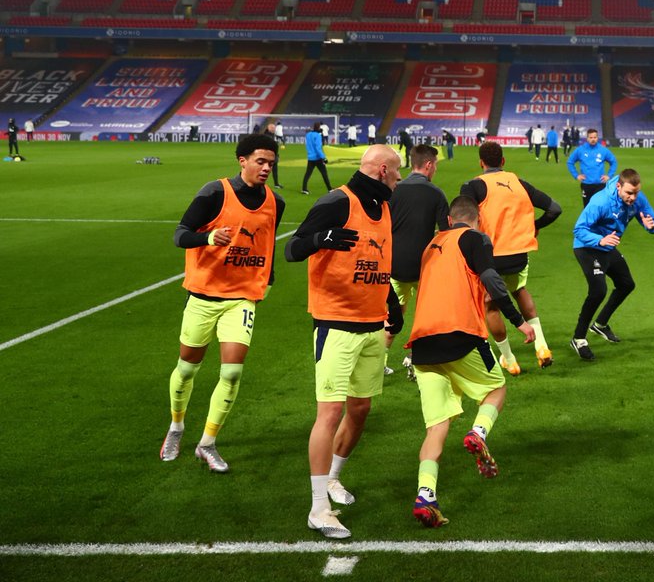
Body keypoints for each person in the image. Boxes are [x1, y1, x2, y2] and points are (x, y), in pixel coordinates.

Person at [285, 144, 403, 540]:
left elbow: (380, 261)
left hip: (372, 324)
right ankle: (318, 508)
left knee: (361, 409)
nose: (399, 179)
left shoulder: (384, 208)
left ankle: (333, 478)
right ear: (383, 170)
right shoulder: (337, 201)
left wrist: (391, 304)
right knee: (330, 411)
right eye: (397, 172)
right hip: (336, 323)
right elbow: (291, 249)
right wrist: (321, 237)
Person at [406, 196, 535, 528]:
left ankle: (425, 496)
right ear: (479, 218)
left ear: (449, 220)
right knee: (496, 388)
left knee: (437, 426)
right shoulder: (476, 238)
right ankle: (478, 433)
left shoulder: (432, 244)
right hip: (461, 335)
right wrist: (518, 321)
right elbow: (492, 279)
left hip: (422, 345)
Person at [161, 134, 284, 473]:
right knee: (188, 368)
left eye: (271, 163)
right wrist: (208, 237)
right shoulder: (215, 193)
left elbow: (268, 244)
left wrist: (268, 279)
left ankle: (207, 443)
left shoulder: (275, 202)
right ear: (242, 160)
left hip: (241, 298)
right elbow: (180, 235)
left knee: (231, 372)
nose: (266, 168)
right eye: (260, 161)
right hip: (203, 296)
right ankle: (176, 426)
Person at [460, 141, 562, 373]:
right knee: (520, 290)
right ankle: (542, 347)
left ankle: (509, 359)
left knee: (491, 304)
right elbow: (554, 209)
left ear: (481, 162)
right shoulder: (519, 182)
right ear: (503, 161)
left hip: (490, 256)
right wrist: (535, 226)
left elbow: (463, 218)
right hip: (519, 254)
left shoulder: (473, 186)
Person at [569, 169, 654, 359]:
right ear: (618, 186)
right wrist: (599, 240)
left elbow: (651, 218)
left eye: (636, 193)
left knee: (626, 284)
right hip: (587, 247)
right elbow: (579, 229)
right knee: (598, 291)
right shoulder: (601, 201)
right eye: (629, 193)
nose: (633, 197)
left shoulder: (637, 198)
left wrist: (651, 226)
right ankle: (578, 338)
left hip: (608, 246)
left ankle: (600, 324)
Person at [385, 144, 450, 378]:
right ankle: (416, 358)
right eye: (436, 165)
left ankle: (377, 362)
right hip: (423, 267)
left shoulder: (393, 190)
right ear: (429, 164)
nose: (436, 170)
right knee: (429, 313)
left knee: (394, 314)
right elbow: (446, 234)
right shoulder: (436, 193)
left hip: (393, 266)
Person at [566, 128, 617, 206]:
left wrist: (609, 176)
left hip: (600, 184)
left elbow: (613, 162)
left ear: (597, 138)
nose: (593, 139)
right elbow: (570, 162)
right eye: (591, 137)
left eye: (595, 137)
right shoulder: (580, 150)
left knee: (600, 207)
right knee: (587, 207)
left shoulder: (603, 150)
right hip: (586, 184)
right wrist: (576, 175)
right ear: (587, 138)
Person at [302, 122, 333, 195]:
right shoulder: (318, 136)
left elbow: (309, 142)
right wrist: (323, 158)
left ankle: (304, 189)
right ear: (319, 127)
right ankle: (330, 189)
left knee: (308, 173)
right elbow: (318, 148)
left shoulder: (308, 135)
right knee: (324, 173)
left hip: (310, 157)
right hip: (318, 158)